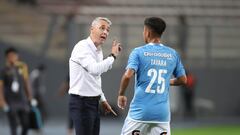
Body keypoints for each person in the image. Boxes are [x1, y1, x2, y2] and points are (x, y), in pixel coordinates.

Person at [117, 17, 187, 135]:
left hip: (139, 113)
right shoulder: (173, 54)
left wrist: (121, 94)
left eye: (144, 30)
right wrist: (166, 81)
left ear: (147, 32)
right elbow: (183, 80)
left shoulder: (138, 52)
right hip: (162, 116)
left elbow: (128, 75)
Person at [68, 17, 121, 135]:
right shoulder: (82, 47)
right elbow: (94, 70)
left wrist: (102, 99)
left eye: (108, 30)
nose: (105, 32)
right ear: (92, 29)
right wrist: (112, 56)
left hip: (93, 102)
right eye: (102, 28)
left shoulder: (98, 50)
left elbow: (95, 78)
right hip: (81, 102)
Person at [0, 47, 33, 135]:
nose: (13, 58)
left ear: (17, 56)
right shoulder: (3, 71)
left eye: (14, 55)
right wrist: (2, 101)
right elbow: (1, 87)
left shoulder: (22, 67)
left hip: (22, 99)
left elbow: (26, 82)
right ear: (7, 57)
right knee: (13, 125)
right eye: (10, 56)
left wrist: (30, 96)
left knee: (26, 124)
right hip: (10, 101)